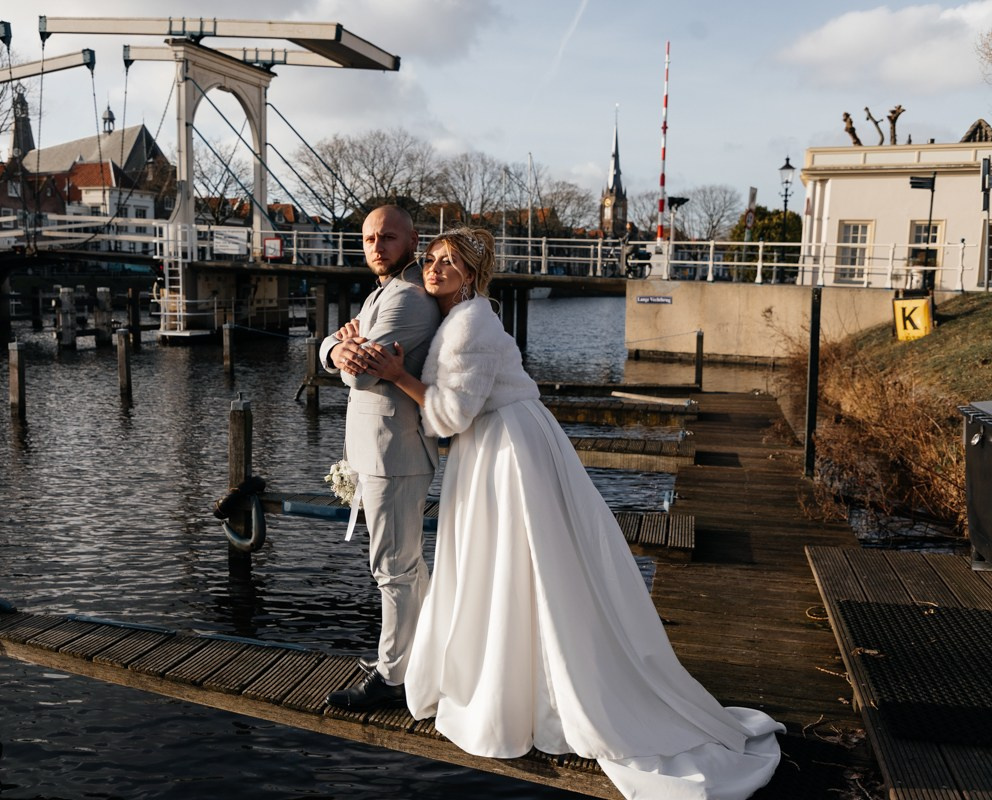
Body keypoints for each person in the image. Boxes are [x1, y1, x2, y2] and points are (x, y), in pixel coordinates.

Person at [357, 226, 784, 800]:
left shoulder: (470, 323)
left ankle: (525, 689)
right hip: (504, 440)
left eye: (449, 263)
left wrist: (397, 375)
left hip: (504, 449)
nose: (434, 269)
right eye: (432, 259)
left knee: (519, 563)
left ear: (473, 274)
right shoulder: (463, 315)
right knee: (524, 565)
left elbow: (451, 414)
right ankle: (521, 674)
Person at [319, 205, 442, 711]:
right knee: (407, 566)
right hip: (385, 452)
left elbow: (361, 374)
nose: (376, 246)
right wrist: (336, 344)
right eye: (369, 238)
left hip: (396, 455)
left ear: (413, 239)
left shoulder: (409, 300)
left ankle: (393, 679)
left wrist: (345, 351)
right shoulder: (380, 291)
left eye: (388, 237)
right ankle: (418, 657)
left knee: (393, 567)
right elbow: (339, 347)